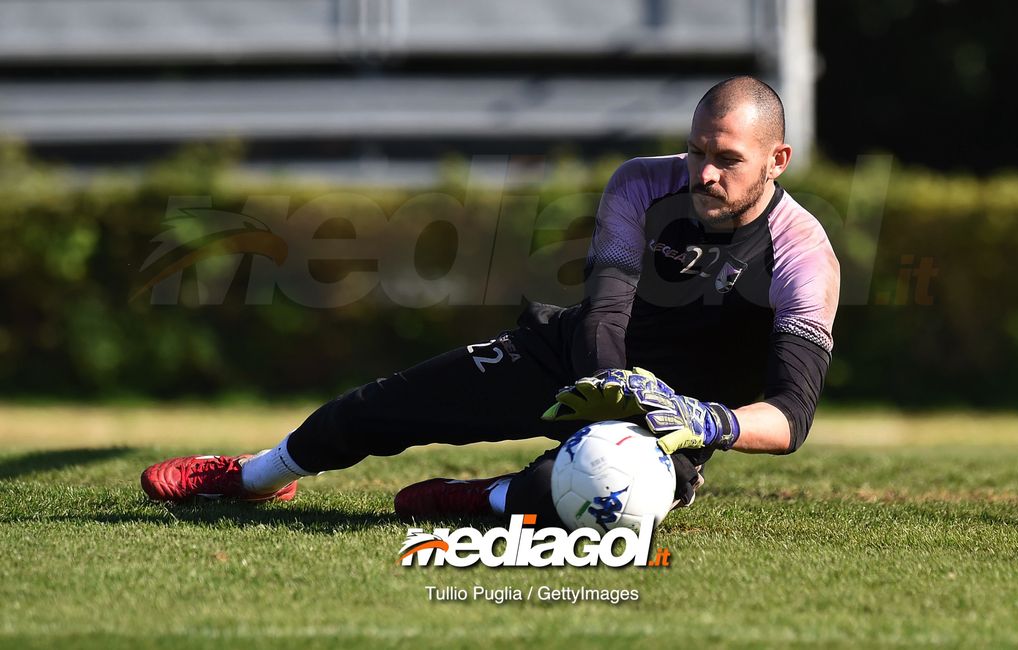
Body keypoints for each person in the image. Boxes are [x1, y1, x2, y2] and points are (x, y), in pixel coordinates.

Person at [141, 76, 841, 526]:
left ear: (777, 160)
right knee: (388, 403)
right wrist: (607, 395)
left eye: (727, 159)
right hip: (578, 357)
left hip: (674, 420)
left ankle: (488, 498)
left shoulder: (803, 255)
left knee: (602, 500)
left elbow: (791, 416)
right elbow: (605, 308)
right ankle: (256, 476)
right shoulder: (641, 184)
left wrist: (702, 420)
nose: (705, 173)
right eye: (696, 153)